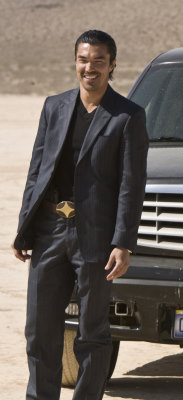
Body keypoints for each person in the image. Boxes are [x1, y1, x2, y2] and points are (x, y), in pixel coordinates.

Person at [11, 30, 149, 398]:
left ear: (112, 65)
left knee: (92, 331)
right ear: (75, 62)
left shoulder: (128, 116)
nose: (90, 68)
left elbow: (131, 185)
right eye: (84, 60)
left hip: (96, 236)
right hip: (49, 229)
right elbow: (37, 171)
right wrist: (25, 227)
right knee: (39, 330)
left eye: (99, 61)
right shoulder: (54, 107)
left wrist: (123, 243)